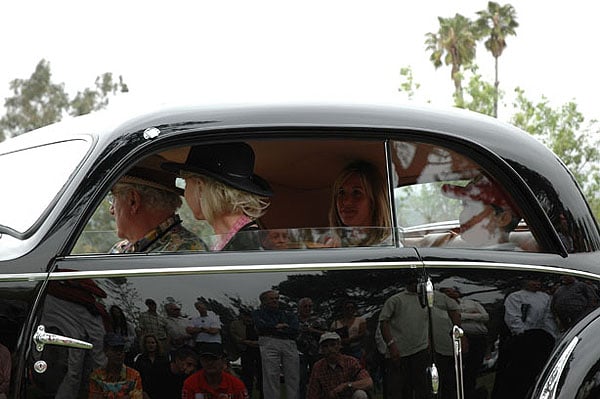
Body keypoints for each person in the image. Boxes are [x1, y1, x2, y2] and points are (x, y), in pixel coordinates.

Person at [162, 142, 273, 251]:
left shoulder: (247, 246)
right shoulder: (243, 240)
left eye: (186, 183)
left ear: (200, 188)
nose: (185, 193)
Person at [379, 278, 461, 399]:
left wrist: (457, 334)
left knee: (423, 389)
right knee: (397, 390)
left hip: (421, 351)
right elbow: (383, 322)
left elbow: (453, 308)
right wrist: (391, 345)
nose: (417, 285)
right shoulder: (396, 299)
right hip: (398, 353)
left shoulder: (429, 297)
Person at [109, 154, 207, 253]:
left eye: (113, 199)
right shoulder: (122, 249)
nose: (111, 210)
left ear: (133, 201)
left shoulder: (184, 252)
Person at [492, 279, 558, 399]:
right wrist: (522, 333)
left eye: (538, 282)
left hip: (539, 340)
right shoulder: (515, 297)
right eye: (533, 281)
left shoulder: (545, 297)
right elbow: (513, 317)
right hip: (520, 339)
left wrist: (551, 335)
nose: (536, 283)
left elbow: (548, 317)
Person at [441, 174, 522, 249]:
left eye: (473, 208)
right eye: (464, 206)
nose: (462, 215)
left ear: (504, 219)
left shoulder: (505, 260)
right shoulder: (474, 255)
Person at [329, 160, 392, 247]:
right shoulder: (332, 246)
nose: (346, 201)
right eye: (341, 192)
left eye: (356, 193)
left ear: (375, 201)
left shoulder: (388, 247)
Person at [441, 287, 489, 399]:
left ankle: (470, 393)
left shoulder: (471, 302)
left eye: (454, 290)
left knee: (474, 368)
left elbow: (485, 316)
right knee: (457, 370)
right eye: (448, 291)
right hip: (460, 339)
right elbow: (451, 319)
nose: (452, 293)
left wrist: (462, 316)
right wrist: (473, 315)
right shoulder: (444, 306)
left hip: (478, 338)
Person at [252, 290, 300, 399]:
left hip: (288, 342)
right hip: (269, 341)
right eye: (272, 298)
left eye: (276, 298)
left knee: (293, 375)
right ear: (264, 301)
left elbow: (295, 329)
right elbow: (261, 326)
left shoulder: (287, 313)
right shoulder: (258, 313)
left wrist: (274, 328)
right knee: (271, 375)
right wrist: (277, 327)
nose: (275, 301)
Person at [307, 332, 373, 399]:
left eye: (333, 345)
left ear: (339, 345)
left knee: (360, 394)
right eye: (325, 346)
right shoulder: (318, 367)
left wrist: (347, 385)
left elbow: (368, 382)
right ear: (322, 350)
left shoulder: (351, 362)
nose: (329, 349)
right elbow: (312, 393)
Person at [182, 343, 249, 399]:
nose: (209, 363)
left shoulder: (236, 384)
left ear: (223, 361)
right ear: (200, 361)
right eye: (205, 359)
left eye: (214, 359)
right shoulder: (190, 383)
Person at [88, 333, 143, 399]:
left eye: (121, 350)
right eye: (115, 350)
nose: (119, 353)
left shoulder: (134, 376)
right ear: (106, 351)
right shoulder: (96, 376)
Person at [297, 297, 327, 399]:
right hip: (299, 353)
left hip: (316, 353)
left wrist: (312, 330)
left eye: (310, 306)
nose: (307, 308)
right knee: (301, 378)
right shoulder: (293, 320)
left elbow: (327, 334)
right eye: (305, 306)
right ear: (299, 308)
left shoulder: (319, 320)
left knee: (318, 378)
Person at [230, 308, 263, 398]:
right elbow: (234, 335)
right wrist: (244, 341)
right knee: (247, 374)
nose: (247, 318)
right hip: (245, 350)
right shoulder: (236, 324)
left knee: (262, 373)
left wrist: (259, 342)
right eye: (245, 315)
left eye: (249, 316)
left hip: (259, 350)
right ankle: (247, 394)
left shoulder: (258, 323)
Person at [132, 333, 169, 399]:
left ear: (156, 344)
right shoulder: (140, 359)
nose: (150, 345)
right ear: (145, 344)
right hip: (145, 392)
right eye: (148, 343)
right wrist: (143, 392)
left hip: (162, 391)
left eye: (152, 343)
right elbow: (137, 376)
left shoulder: (163, 358)